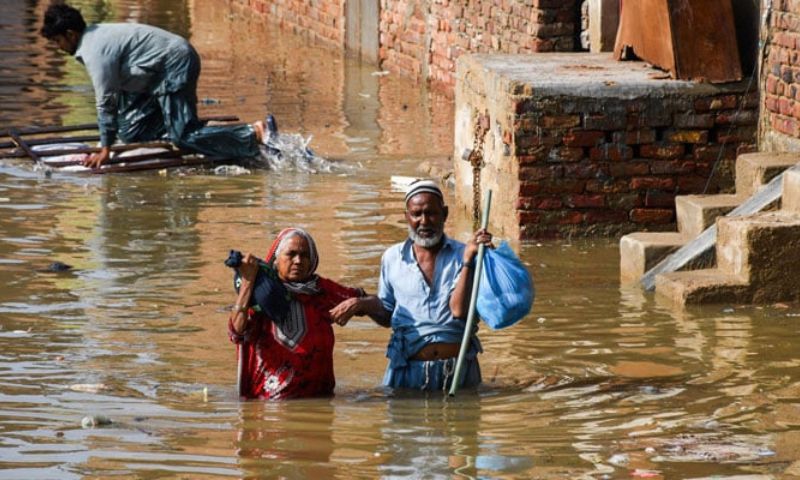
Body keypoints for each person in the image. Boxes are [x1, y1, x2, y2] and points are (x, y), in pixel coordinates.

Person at [40, 3, 268, 169]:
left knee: (182, 136)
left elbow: (105, 102)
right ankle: (201, 130)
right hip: (151, 77)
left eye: (58, 41)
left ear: (70, 34)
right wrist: (111, 136)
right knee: (131, 130)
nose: (59, 48)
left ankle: (251, 133)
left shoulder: (94, 51)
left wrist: (106, 149)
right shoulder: (94, 37)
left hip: (173, 64)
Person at [356, 180, 493, 391]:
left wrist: (478, 259)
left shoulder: (467, 253)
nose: (424, 221)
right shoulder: (392, 258)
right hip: (407, 374)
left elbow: (461, 311)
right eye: (416, 214)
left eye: (431, 213)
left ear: (445, 214)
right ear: (406, 217)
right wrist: (363, 305)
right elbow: (387, 315)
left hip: (459, 374)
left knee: (462, 423)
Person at [228, 227, 378, 400]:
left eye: (305, 255)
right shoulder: (261, 294)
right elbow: (236, 332)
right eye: (291, 254)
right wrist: (248, 283)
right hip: (269, 410)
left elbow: (376, 304)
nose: (299, 261)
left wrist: (358, 303)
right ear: (276, 259)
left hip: (320, 403)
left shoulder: (321, 291)